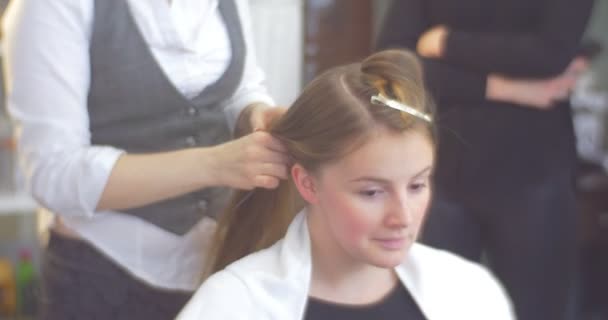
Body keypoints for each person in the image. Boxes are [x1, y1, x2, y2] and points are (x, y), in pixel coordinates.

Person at [176, 50, 515, 320]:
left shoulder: (469, 294)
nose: (403, 217)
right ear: (308, 183)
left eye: (417, 185)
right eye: (372, 192)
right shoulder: (233, 307)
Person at [2, 0, 289, 319]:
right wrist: (214, 165)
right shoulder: (51, 7)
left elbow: (240, 88)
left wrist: (254, 113)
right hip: (103, 277)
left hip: (215, 265)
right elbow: (53, 174)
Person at [376, 1, 595, 320]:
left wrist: (446, 42)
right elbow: (390, 68)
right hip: (438, 169)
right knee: (432, 307)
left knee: (535, 309)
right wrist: (507, 88)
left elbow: (551, 54)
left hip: (532, 169)